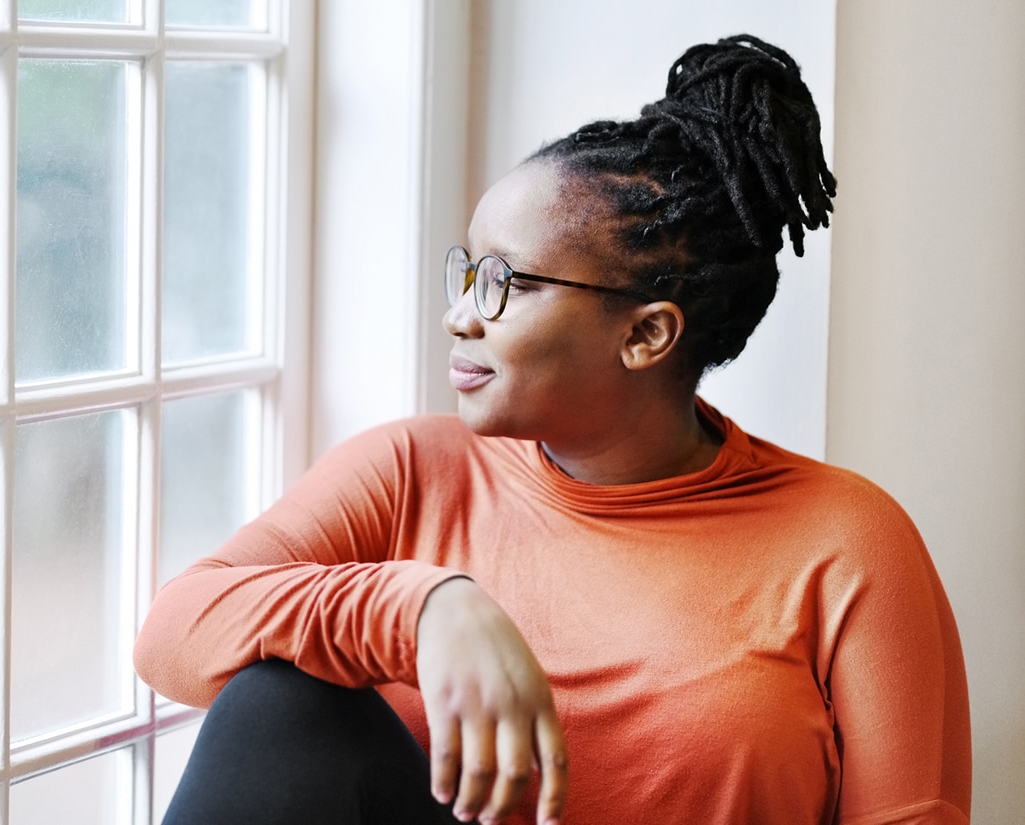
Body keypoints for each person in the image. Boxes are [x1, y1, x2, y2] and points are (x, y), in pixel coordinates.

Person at [134, 34, 971, 825]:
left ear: (646, 335)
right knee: (280, 706)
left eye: (505, 282)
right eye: (465, 271)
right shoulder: (411, 471)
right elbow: (174, 630)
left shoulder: (849, 542)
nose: (460, 315)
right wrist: (422, 604)